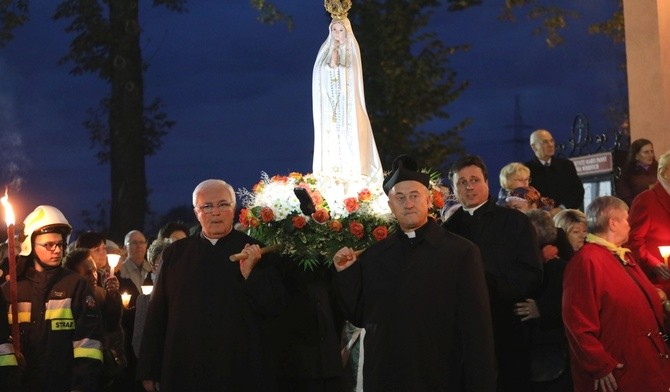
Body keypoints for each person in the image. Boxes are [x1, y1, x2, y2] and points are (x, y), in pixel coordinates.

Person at [334, 162, 496, 391]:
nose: (408, 204)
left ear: (428, 201)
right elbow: (361, 315)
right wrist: (347, 274)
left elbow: (478, 330)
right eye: (399, 198)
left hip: (441, 375)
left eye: (414, 196)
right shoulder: (376, 255)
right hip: (386, 376)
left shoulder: (461, 252)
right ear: (390, 206)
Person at [137, 179, 286, 391]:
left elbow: (273, 308)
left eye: (223, 204)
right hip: (185, 367)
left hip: (240, 370)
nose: (215, 212)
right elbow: (158, 313)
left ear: (233, 209)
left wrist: (250, 275)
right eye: (207, 206)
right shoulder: (176, 254)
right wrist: (149, 369)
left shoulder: (255, 251)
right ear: (196, 212)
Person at [443, 155, 543, 391]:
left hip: (507, 325)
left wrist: (490, 288)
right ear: (455, 189)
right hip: (464, 332)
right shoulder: (447, 231)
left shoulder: (515, 222)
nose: (469, 187)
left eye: (475, 180)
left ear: (487, 182)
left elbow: (532, 274)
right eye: (462, 182)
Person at [562, 196, 670, 392]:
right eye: (626, 219)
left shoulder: (620, 255)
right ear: (613, 223)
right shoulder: (587, 261)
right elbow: (577, 322)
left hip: (643, 367)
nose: (630, 225)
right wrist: (600, 365)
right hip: (621, 374)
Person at [1, 205, 104, 391]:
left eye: (61, 244)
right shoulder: (10, 291)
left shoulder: (76, 286)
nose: (57, 250)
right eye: (49, 245)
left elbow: (89, 345)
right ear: (30, 245)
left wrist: (81, 388)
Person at [312, 15, 383, 184]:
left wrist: (338, 66)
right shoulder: (326, 50)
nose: (337, 34)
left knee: (351, 135)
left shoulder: (352, 49)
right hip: (330, 105)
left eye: (340, 30)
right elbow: (319, 73)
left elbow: (352, 75)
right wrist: (331, 64)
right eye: (334, 30)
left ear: (346, 30)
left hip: (348, 106)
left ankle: (354, 172)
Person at [516, 209, 571, 391]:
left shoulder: (558, 266)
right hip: (532, 351)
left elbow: (571, 305)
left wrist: (542, 309)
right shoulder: (530, 263)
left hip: (552, 352)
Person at [64, 248, 126, 391]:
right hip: (77, 371)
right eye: (87, 273)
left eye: (94, 270)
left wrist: (113, 296)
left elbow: (113, 324)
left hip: (105, 370)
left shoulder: (101, 294)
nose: (93, 276)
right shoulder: (67, 298)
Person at [627, 148, 670, 292]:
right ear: (665, 173)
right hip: (661, 280)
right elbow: (634, 240)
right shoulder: (646, 200)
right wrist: (654, 264)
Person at [525, 129, 584, 209]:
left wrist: (561, 208)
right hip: (538, 218)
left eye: (552, 141)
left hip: (565, 216)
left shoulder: (566, 165)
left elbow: (577, 192)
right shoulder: (526, 170)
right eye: (545, 142)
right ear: (534, 147)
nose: (550, 145)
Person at [616, 138, 658, 206]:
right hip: (639, 211)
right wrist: (642, 205)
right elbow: (625, 198)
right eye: (646, 152)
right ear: (636, 156)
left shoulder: (660, 170)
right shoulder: (627, 174)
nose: (651, 155)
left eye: (652, 151)